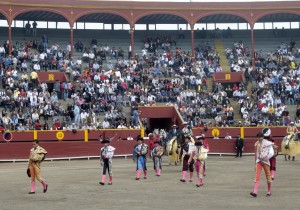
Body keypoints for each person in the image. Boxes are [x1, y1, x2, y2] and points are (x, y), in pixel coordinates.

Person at [250, 129, 274, 197]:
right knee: (257, 176)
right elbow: (256, 153)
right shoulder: (256, 143)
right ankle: (255, 192)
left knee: (268, 176)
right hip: (259, 161)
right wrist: (255, 163)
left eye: (260, 137)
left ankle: (269, 191)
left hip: (265, 161)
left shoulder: (268, 143)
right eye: (258, 137)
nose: (259, 138)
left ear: (263, 137)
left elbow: (271, 152)